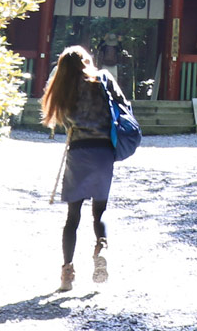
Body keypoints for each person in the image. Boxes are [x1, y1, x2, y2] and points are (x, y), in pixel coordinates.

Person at [40, 44, 123, 292]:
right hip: (104, 150)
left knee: (72, 217)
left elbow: (61, 118)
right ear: (87, 61)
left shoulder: (63, 86)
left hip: (78, 151)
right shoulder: (104, 79)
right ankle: (102, 247)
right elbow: (122, 106)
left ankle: (67, 272)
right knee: (100, 210)